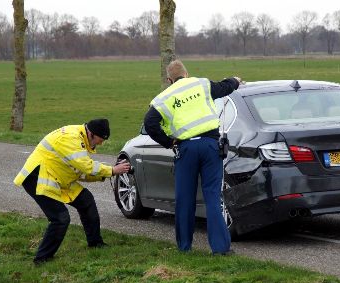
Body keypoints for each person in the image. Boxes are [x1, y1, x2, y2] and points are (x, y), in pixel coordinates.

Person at [144, 60, 241, 255]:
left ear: (169, 79)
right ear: (187, 74)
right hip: (210, 146)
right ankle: (221, 249)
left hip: (186, 148)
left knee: (184, 199)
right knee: (213, 197)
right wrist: (236, 80)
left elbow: (150, 123)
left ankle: (185, 247)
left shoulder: (164, 97)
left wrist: (169, 142)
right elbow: (225, 87)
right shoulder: (201, 84)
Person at [13, 118, 131, 264]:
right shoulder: (71, 137)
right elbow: (85, 166)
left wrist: (109, 173)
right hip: (38, 178)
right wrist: (112, 170)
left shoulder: (80, 141)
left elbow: (81, 172)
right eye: (101, 139)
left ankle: (95, 243)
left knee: (86, 200)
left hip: (58, 178)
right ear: (91, 134)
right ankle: (42, 259)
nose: (101, 143)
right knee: (60, 218)